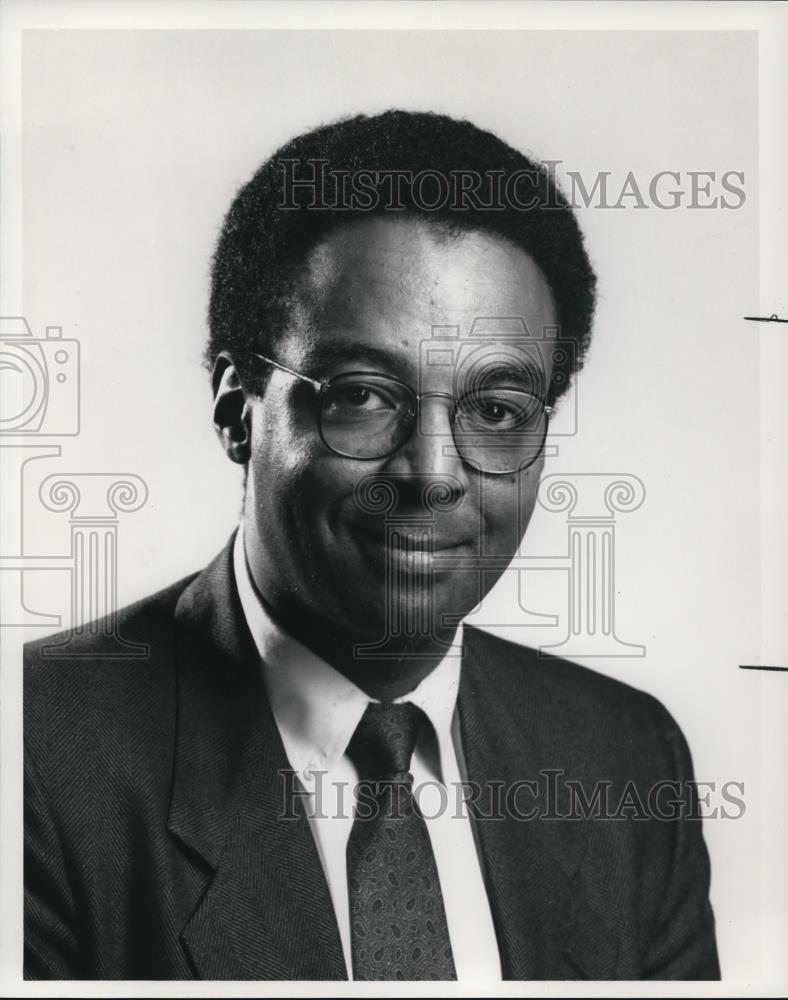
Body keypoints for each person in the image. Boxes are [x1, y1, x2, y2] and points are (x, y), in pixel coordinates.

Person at [24, 110, 720, 981]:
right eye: (364, 396)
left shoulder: (623, 761)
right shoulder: (36, 760)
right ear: (240, 411)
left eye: (496, 411)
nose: (433, 472)